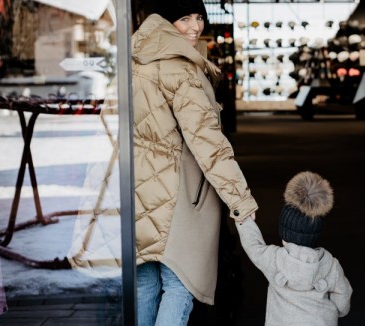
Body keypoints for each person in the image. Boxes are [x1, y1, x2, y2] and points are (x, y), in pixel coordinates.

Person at [131, 1, 258, 325]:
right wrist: (240, 201)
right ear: (162, 19)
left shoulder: (134, 57)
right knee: (180, 286)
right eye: (184, 18)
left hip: (137, 190)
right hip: (177, 196)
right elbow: (208, 142)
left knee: (145, 283)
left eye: (199, 17)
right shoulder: (181, 66)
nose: (195, 26)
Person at [236, 171, 352, 326]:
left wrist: (242, 214)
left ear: (284, 234)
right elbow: (343, 297)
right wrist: (334, 312)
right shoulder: (331, 265)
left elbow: (253, 245)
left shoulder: (274, 258)